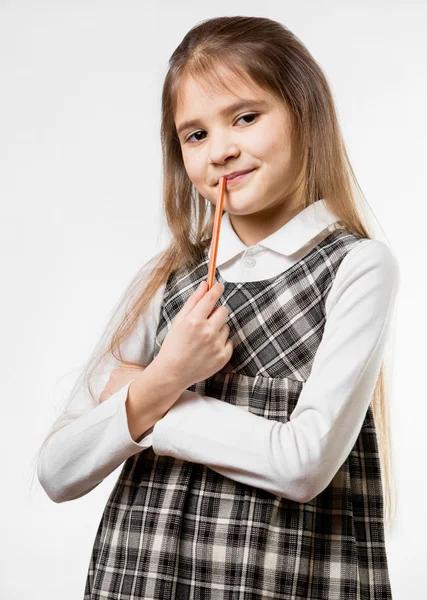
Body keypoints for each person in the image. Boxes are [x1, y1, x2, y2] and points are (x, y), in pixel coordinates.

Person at [35, 15, 400, 599]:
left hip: (282, 576)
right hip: (143, 574)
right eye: (195, 135)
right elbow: (56, 471)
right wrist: (171, 374)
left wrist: (150, 400)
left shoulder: (357, 267)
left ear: (304, 115)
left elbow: (302, 465)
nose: (222, 150)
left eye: (246, 117)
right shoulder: (163, 279)